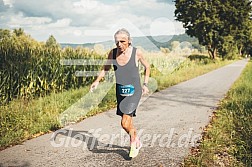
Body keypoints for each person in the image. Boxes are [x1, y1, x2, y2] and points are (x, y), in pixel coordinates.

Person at [90, 28, 150, 158]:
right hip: (120, 91)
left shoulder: (136, 53)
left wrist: (145, 84)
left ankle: (135, 143)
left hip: (134, 91)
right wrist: (97, 81)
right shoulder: (112, 53)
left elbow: (147, 66)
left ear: (129, 41)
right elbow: (105, 68)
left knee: (124, 123)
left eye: (122, 41)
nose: (119, 44)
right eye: (117, 42)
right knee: (128, 121)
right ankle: (135, 140)